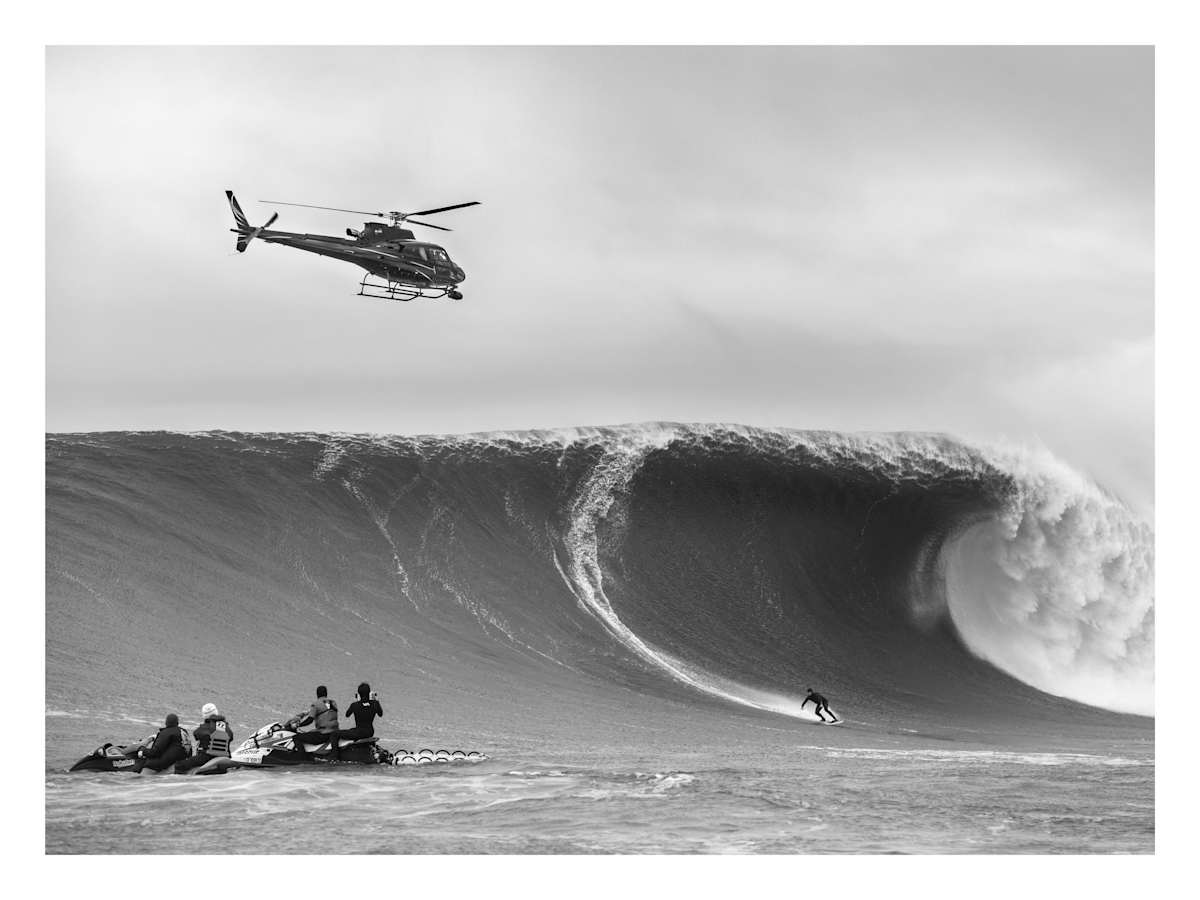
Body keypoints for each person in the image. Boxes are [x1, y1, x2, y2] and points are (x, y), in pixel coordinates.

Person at [328, 683, 383, 759]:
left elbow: (347, 714)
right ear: (369, 693)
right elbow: (380, 714)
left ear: (359, 694)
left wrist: (355, 702)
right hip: (370, 731)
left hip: (359, 732)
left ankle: (334, 756)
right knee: (351, 730)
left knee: (334, 734)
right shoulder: (375, 704)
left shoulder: (355, 705)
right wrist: (377, 700)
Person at [176, 703, 234, 774]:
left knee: (180, 765)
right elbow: (231, 737)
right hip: (226, 756)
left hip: (207, 757)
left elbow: (196, 734)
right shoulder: (225, 726)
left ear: (204, 715)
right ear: (216, 712)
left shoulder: (205, 726)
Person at [291, 685, 340, 756]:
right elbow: (326, 709)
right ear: (326, 693)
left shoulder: (315, 704)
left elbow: (310, 720)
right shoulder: (333, 702)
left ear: (317, 694)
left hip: (324, 734)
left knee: (296, 737)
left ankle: (302, 757)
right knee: (311, 731)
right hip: (334, 732)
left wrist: (298, 725)